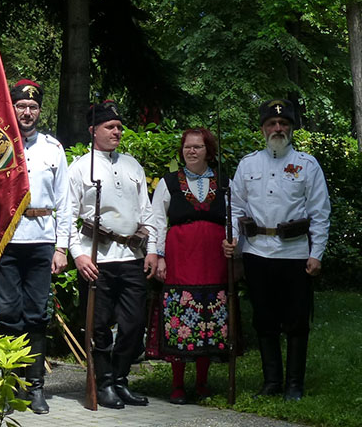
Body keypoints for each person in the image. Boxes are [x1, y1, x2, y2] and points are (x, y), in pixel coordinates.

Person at [0, 79, 71, 414]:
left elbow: (66, 202)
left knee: (36, 314)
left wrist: (62, 248)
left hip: (41, 240)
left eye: (33, 107)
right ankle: (11, 385)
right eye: (21, 106)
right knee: (11, 314)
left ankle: (36, 387)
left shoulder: (52, 149)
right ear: (10, 108)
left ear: (39, 111)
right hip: (7, 242)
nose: (27, 112)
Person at [223, 99, 330, 401]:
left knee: (296, 322)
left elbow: (320, 212)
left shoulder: (307, 165)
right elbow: (235, 206)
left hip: (294, 253)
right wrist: (234, 243)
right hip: (258, 253)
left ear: (292, 128)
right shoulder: (248, 165)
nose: (278, 128)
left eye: (284, 124)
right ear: (262, 129)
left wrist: (316, 253)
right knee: (264, 320)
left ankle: (294, 385)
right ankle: (272, 382)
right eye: (272, 123)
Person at [67, 100, 158, 410]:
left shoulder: (133, 165)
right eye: (110, 127)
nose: (117, 131)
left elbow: (148, 213)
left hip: (131, 256)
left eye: (119, 127)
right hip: (98, 257)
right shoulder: (80, 167)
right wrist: (78, 256)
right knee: (100, 325)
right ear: (94, 130)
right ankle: (103, 383)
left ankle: (120, 380)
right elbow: (66, 217)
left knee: (133, 326)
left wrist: (152, 250)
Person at [147, 128, 231, 404]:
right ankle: (178, 384)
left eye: (198, 147)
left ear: (209, 150)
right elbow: (157, 221)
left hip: (214, 262)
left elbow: (235, 218)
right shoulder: (169, 182)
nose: (191, 151)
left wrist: (237, 253)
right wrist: (158, 256)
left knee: (210, 319)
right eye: (187, 147)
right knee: (180, 319)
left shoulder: (224, 182)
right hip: (181, 261)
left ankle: (203, 381)